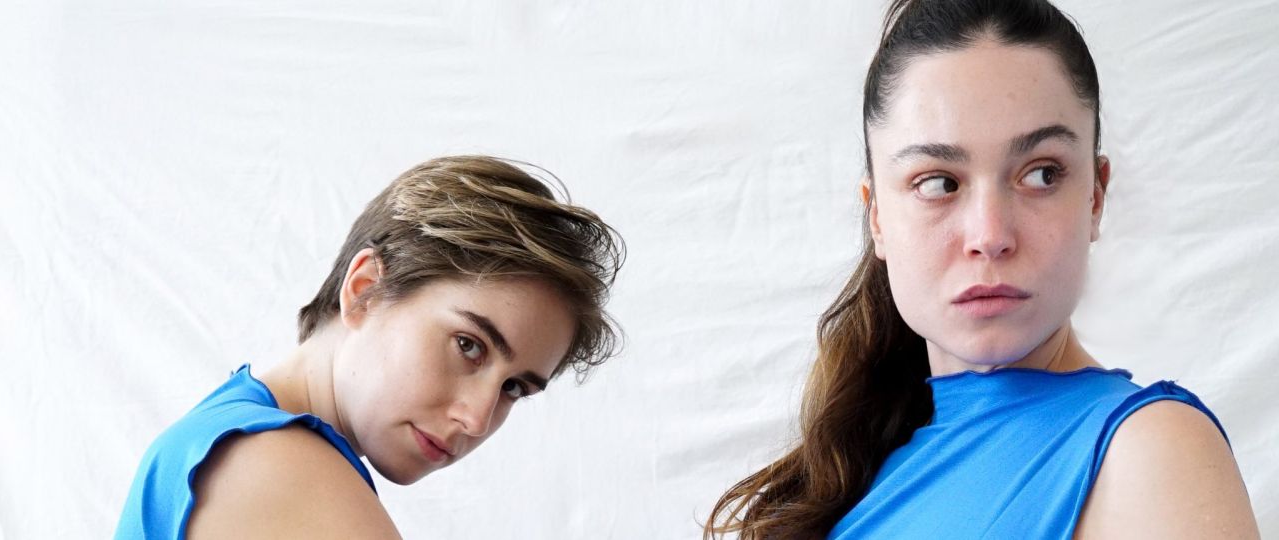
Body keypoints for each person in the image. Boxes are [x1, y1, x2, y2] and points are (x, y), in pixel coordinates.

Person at [705, 1, 1260, 538]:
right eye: (939, 183)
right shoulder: (857, 465)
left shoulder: (1149, 452)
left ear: (1095, 197)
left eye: (1041, 174)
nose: (990, 236)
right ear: (877, 217)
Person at [115, 155, 624, 538]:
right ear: (365, 291)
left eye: (513, 388)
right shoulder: (273, 462)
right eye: (469, 346)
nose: (476, 419)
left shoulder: (223, 435)